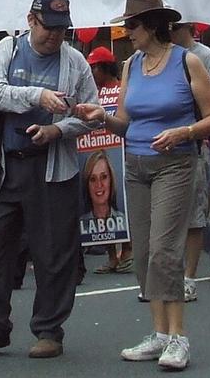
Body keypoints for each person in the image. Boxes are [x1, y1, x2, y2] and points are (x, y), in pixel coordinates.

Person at [76, 0, 210, 371]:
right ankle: (158, 334)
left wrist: (184, 132)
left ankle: (179, 338)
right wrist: (101, 117)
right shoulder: (131, 65)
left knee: (164, 250)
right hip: (136, 165)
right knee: (142, 253)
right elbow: (124, 121)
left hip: (174, 163)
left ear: (154, 26)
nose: (128, 32)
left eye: (133, 25)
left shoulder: (187, 61)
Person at [0, 0, 100, 359]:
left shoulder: (75, 63)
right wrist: (37, 97)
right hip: (5, 166)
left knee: (53, 252)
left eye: (61, 29)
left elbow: (90, 114)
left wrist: (59, 130)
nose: (54, 36)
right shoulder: (6, 50)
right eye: (48, 28)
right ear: (30, 20)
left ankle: (49, 330)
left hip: (53, 168)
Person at [170, 22, 210, 301]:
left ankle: (190, 276)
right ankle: (165, 278)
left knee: (195, 215)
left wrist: (193, 127)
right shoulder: (158, 56)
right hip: (160, 148)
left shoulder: (203, 56)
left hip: (193, 145)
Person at [85, 46, 133, 275]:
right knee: (100, 212)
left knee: (120, 205)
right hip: (96, 153)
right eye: (91, 67)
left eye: (96, 67)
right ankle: (111, 256)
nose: (93, 72)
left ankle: (128, 252)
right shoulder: (91, 93)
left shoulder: (122, 90)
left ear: (106, 67)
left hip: (121, 154)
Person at [79, 151, 125, 234]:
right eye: (93, 179)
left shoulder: (124, 222)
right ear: (87, 184)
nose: (99, 185)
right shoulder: (81, 225)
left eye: (104, 177)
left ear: (111, 180)